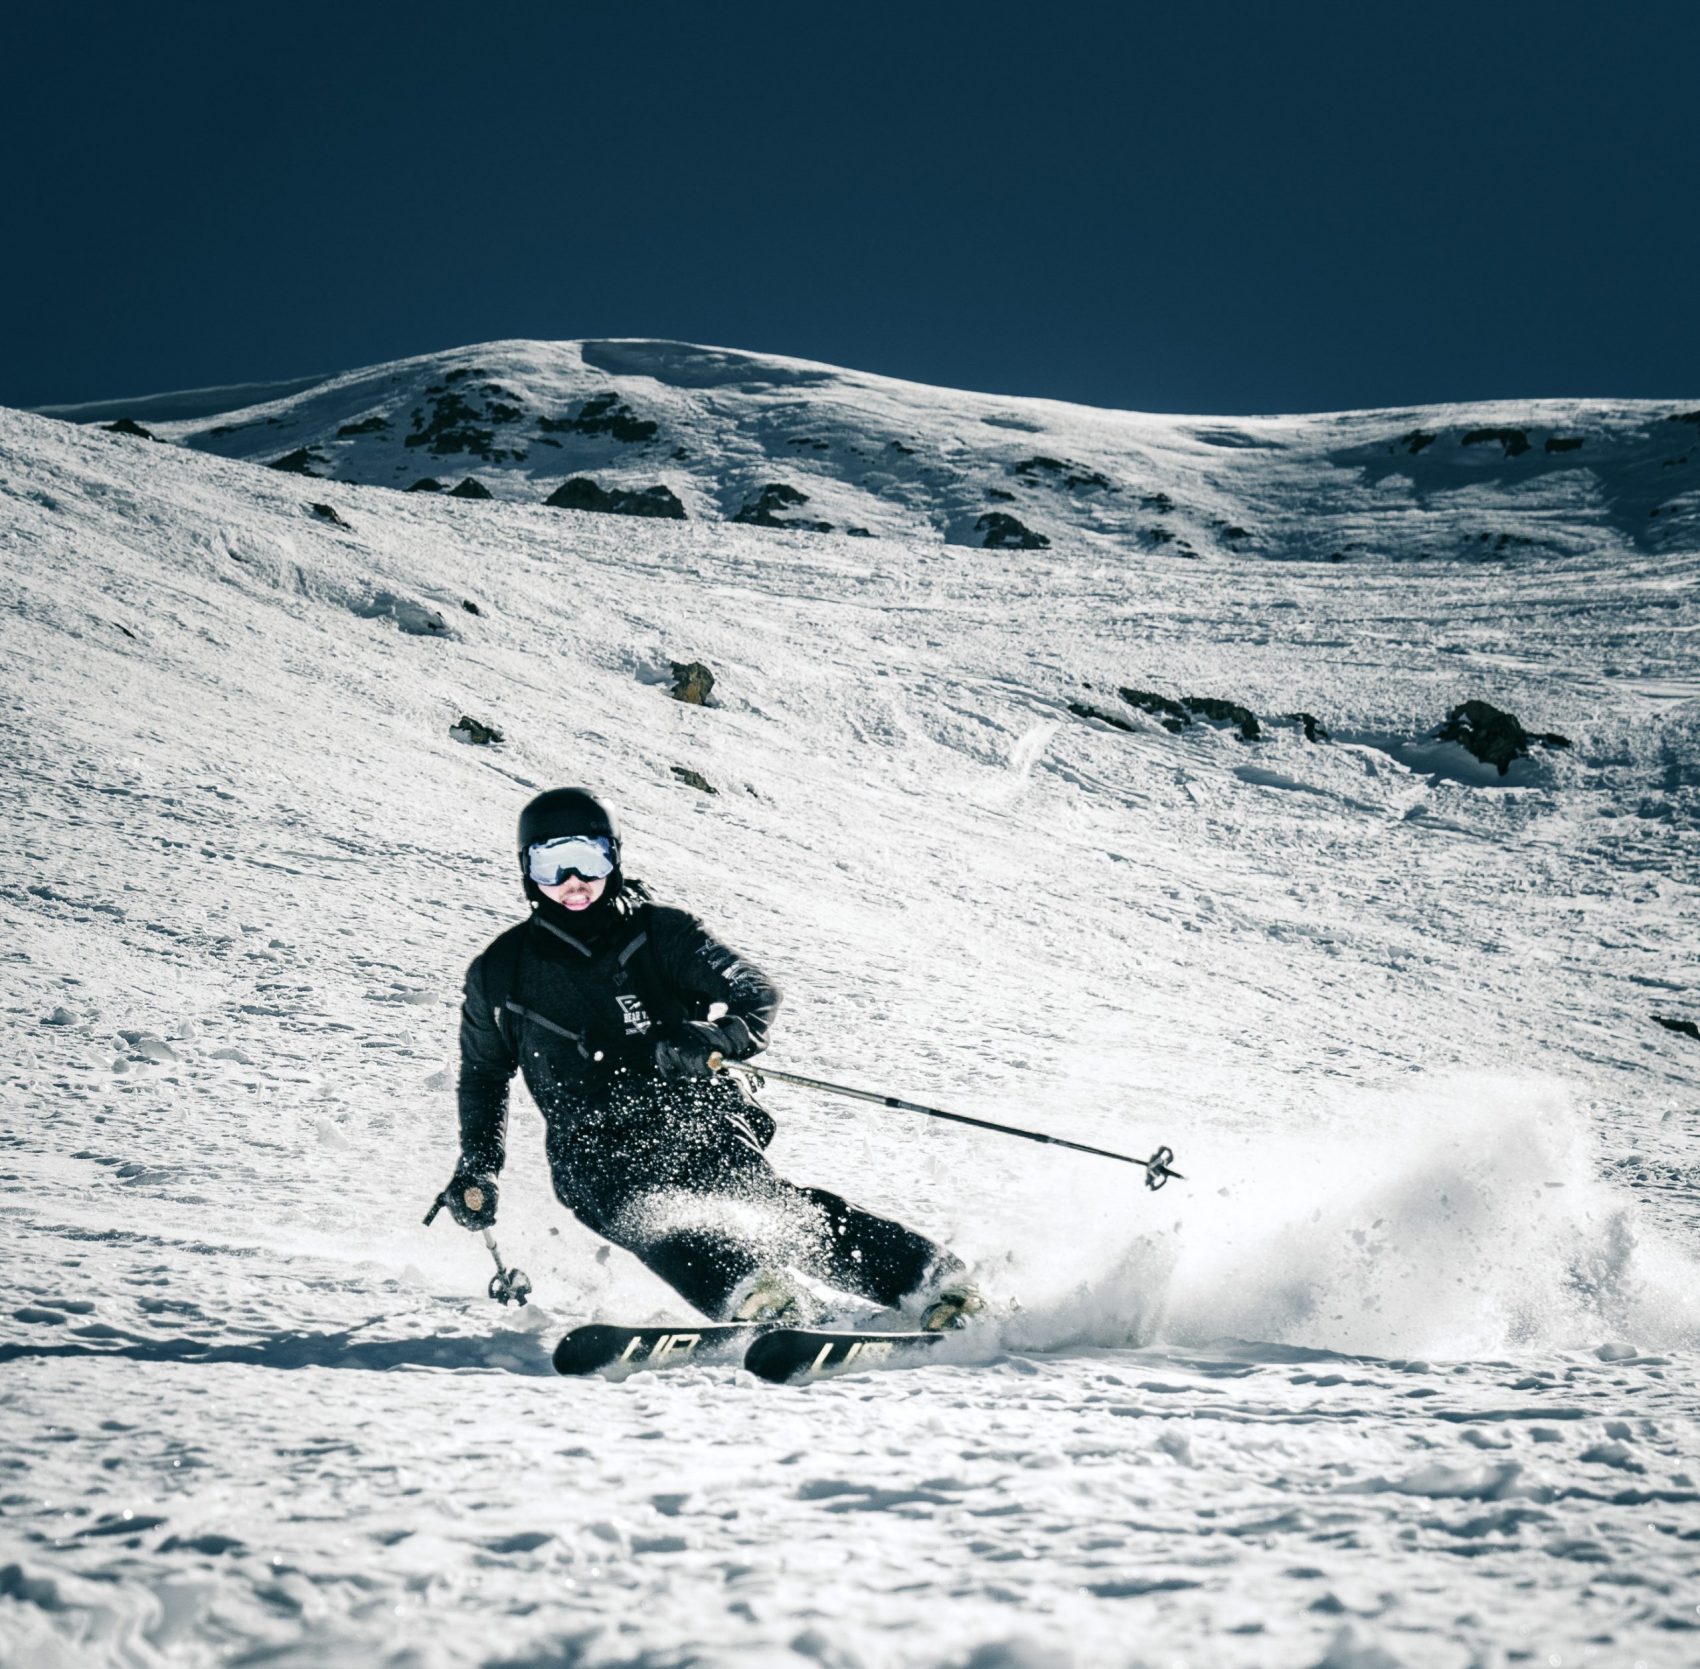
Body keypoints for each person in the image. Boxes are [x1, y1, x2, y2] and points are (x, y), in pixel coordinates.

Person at [442, 787, 983, 1331]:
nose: (573, 881)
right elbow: (485, 1074)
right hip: (590, 1146)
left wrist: (717, 1037)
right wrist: (479, 1166)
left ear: (615, 857)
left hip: (693, 1114)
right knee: (647, 1217)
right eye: (551, 864)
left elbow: (756, 991)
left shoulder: (661, 933)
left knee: (772, 1214)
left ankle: (936, 1284)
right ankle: (758, 1296)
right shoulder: (499, 973)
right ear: (527, 872)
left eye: (589, 858)